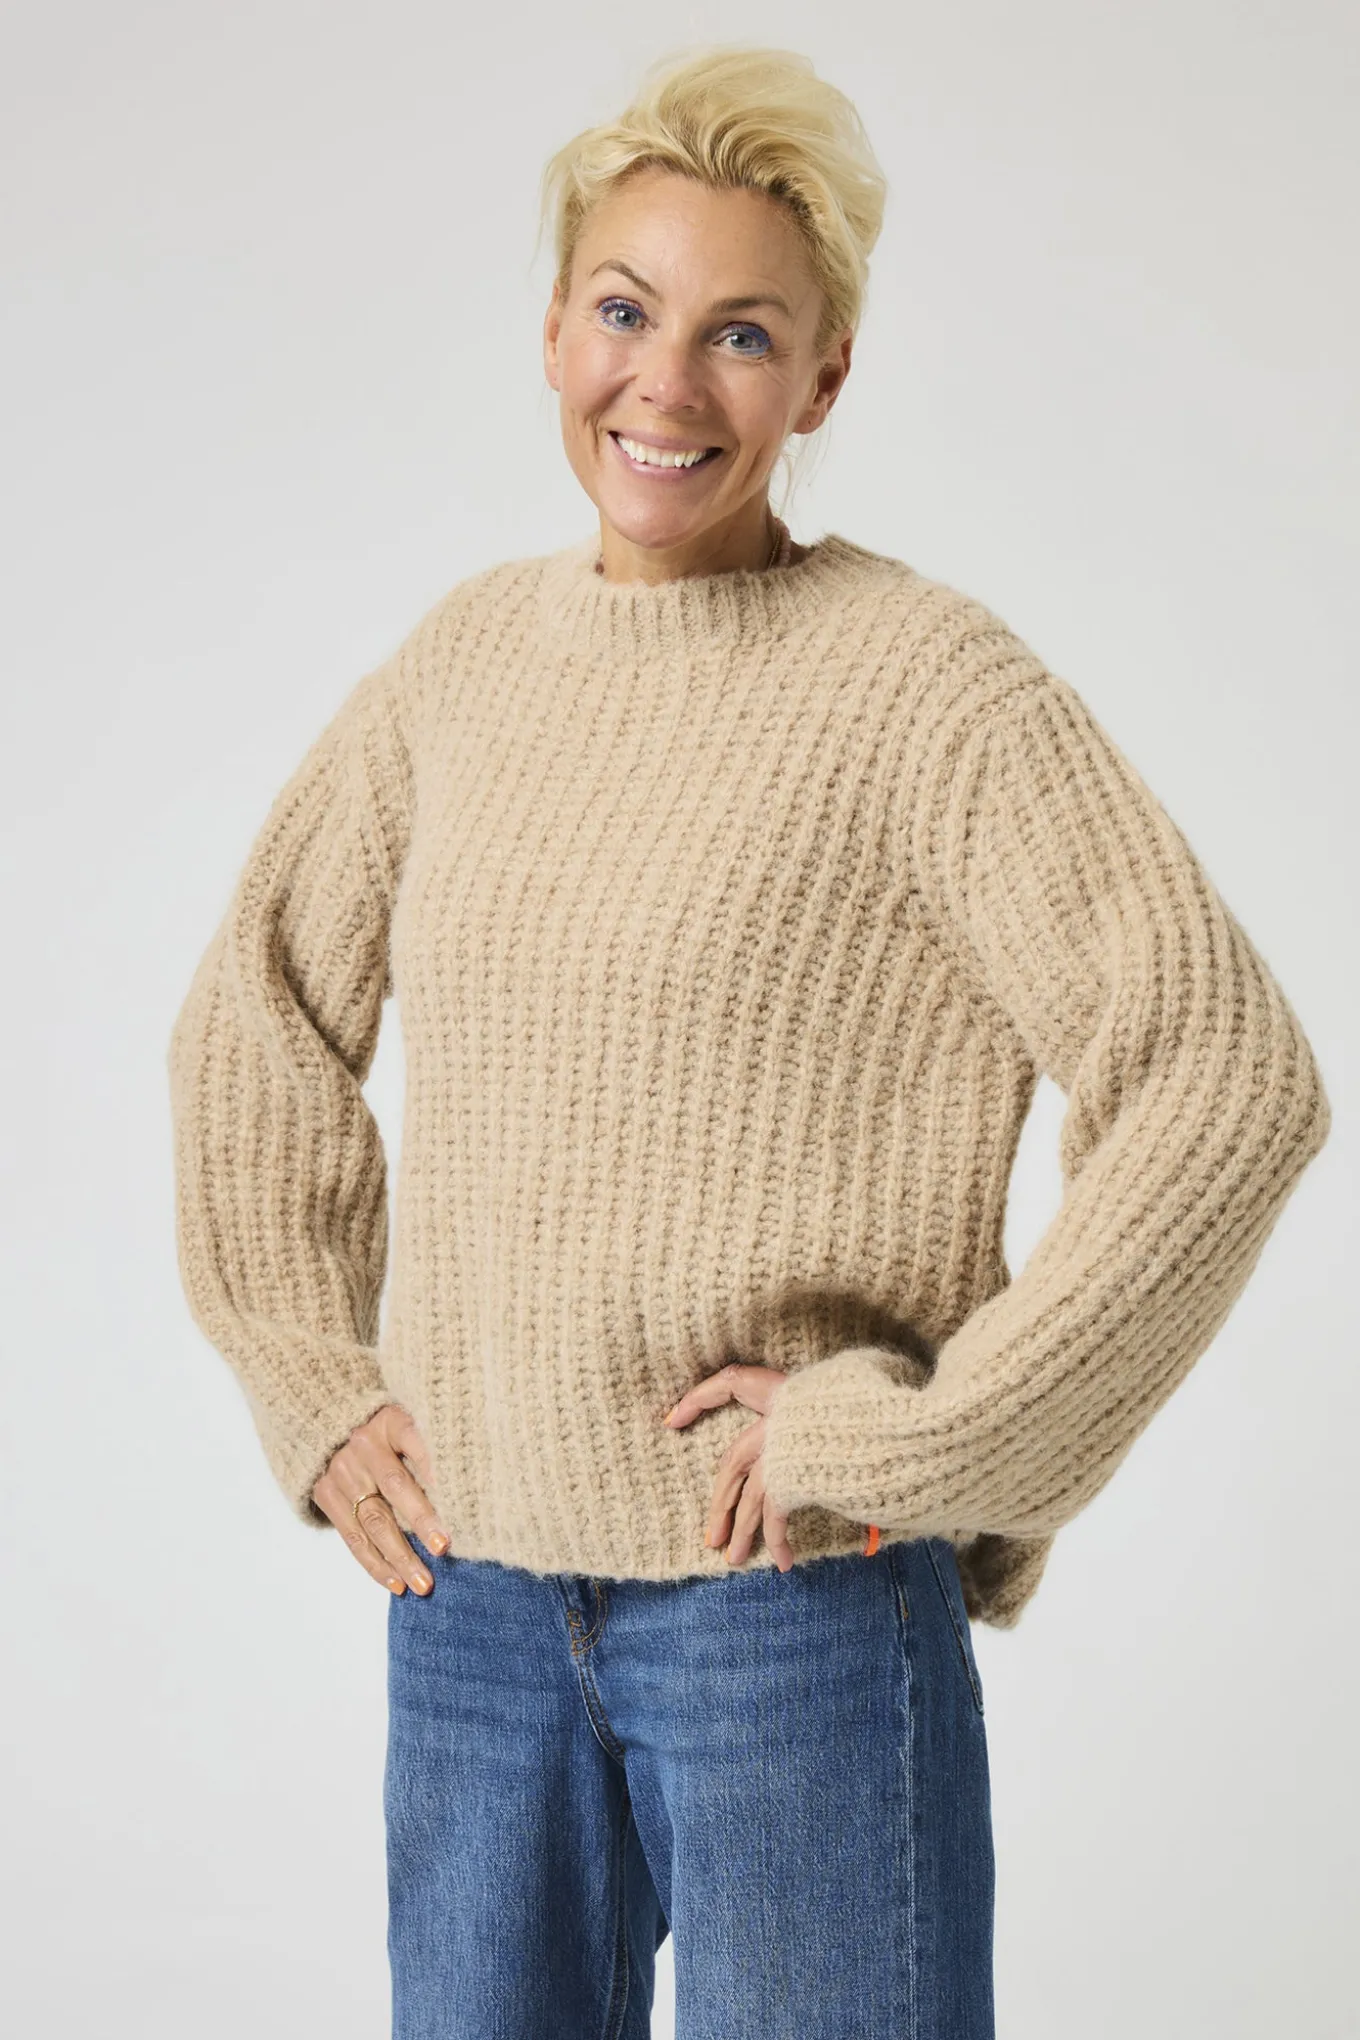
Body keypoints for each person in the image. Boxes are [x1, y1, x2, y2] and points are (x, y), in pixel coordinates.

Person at [166, 43, 1331, 2040]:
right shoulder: (461, 668)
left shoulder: (924, 688)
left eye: (741, 335)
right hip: (471, 1615)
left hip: (789, 1614)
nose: (667, 385)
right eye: (625, 312)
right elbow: (256, 1006)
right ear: (552, 330)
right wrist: (309, 1377)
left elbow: (1226, 1078)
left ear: (823, 379)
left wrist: (931, 1447)